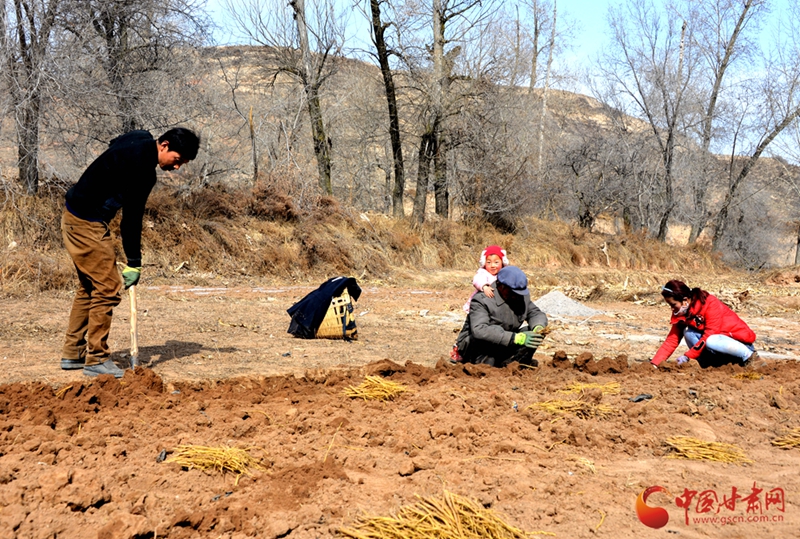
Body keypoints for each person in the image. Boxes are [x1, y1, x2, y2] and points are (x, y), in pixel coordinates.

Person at [61, 128, 200, 378]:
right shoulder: (143, 170)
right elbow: (131, 220)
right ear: (164, 145)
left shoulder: (140, 139)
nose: (177, 167)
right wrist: (134, 262)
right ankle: (96, 359)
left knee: (90, 286)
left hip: (75, 215)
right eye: (177, 160)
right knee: (108, 287)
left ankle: (73, 353)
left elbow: (118, 139)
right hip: (86, 222)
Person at [650, 279, 760, 369]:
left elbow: (711, 334)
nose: (672, 309)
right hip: (717, 345)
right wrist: (655, 364)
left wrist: (688, 356)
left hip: (737, 343)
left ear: (685, 300)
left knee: (711, 340)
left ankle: (750, 357)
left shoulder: (710, 303)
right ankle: (710, 364)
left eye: (673, 304)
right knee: (689, 333)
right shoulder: (682, 313)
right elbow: (672, 340)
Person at [454, 265, 548, 367]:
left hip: (504, 342)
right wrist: (515, 338)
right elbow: (480, 330)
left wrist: (538, 327)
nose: (515, 296)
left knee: (532, 333)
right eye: (511, 292)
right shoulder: (481, 300)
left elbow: (535, 313)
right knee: (492, 337)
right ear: (499, 285)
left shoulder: (520, 297)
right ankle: (487, 365)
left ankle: (516, 364)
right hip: (476, 346)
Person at [462, 245, 509, 313]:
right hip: (482, 302)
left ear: (502, 262)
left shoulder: (505, 273)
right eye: (489, 262)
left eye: (496, 262)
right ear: (484, 263)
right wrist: (484, 287)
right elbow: (477, 280)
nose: (492, 266)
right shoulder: (483, 272)